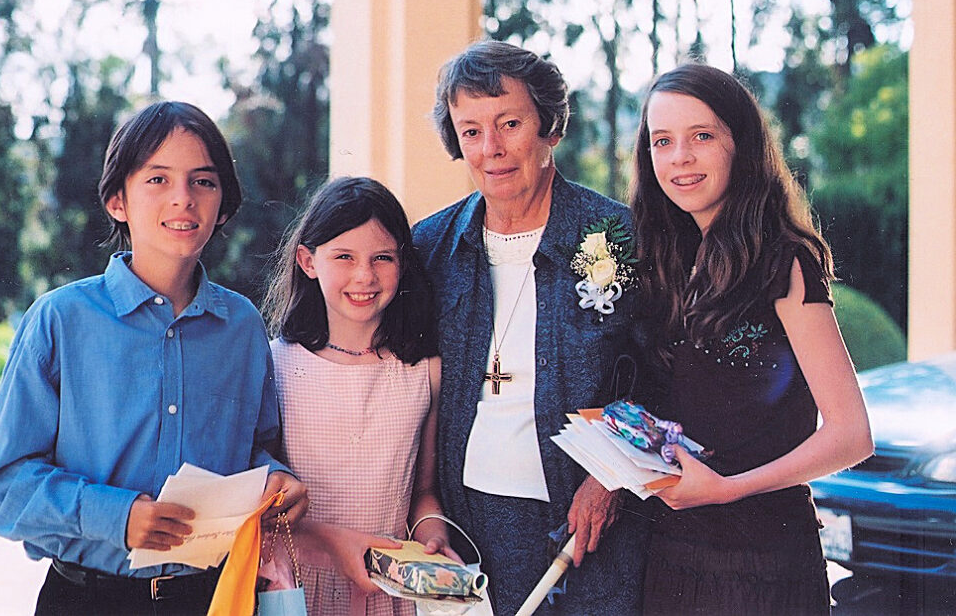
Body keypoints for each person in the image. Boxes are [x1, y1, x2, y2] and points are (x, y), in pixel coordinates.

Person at [0, 101, 308, 616]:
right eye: (158, 179)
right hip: (88, 600)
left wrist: (273, 481)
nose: (183, 199)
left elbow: (252, 451)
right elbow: (1, 489)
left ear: (223, 206)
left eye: (203, 181)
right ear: (117, 201)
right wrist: (117, 515)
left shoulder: (242, 327)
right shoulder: (61, 320)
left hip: (214, 598)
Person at [412, 40, 649, 615]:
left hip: (586, 519)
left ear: (548, 126)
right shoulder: (430, 246)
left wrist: (612, 472)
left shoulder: (617, 236)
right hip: (468, 523)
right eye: (470, 131)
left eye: (509, 123)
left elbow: (662, 372)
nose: (491, 149)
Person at [629, 63, 874, 615]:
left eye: (702, 137)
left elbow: (852, 434)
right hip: (672, 558)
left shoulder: (785, 259)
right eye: (662, 141)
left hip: (763, 564)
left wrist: (728, 488)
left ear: (740, 144)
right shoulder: (666, 259)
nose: (679, 158)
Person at [261, 176, 457, 616]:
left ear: (402, 265)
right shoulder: (275, 367)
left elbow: (422, 492)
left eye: (382, 258)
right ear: (308, 261)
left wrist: (432, 536)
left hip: (389, 593)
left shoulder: (423, 371)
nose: (364, 276)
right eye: (344, 257)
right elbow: (265, 512)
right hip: (295, 589)